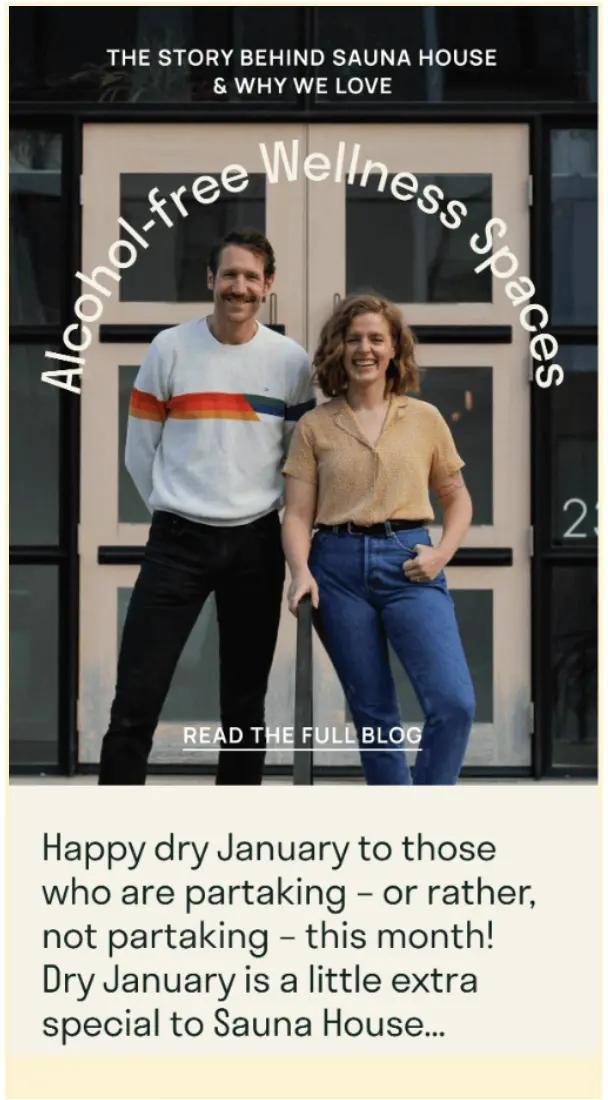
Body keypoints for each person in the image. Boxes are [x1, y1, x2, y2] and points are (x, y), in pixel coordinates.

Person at [98, 228, 314, 785]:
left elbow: (298, 463)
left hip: (256, 543)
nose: (238, 286)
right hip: (177, 543)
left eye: (251, 277)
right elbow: (139, 452)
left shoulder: (290, 362)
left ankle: (233, 833)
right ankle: (102, 832)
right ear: (210, 280)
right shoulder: (169, 348)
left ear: (268, 286)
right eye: (229, 275)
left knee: (244, 706)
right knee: (136, 698)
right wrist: (173, 508)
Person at [282, 294, 475, 785]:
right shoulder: (315, 426)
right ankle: (396, 838)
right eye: (353, 339)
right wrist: (301, 572)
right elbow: (298, 513)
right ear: (337, 349)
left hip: (409, 561)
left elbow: (457, 498)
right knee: (375, 717)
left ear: (394, 350)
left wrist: (441, 554)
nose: (363, 349)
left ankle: (424, 829)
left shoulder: (425, 418)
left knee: (454, 703)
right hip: (336, 570)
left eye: (375, 339)